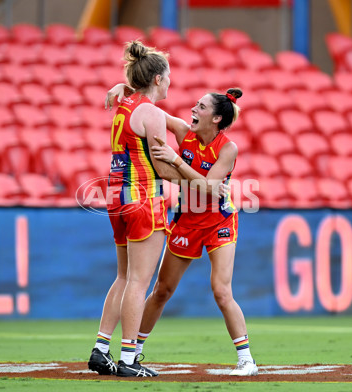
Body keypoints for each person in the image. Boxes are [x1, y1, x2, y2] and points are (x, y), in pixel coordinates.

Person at [107, 85, 258, 376]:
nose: (193, 110)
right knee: (162, 291)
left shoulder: (228, 148)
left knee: (221, 291)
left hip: (219, 221)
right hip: (186, 220)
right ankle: (134, 352)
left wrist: (176, 161)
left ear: (216, 119)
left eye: (201, 107)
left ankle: (246, 360)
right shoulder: (181, 130)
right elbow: (147, 107)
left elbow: (212, 190)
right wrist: (124, 90)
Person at [87, 40, 182, 378]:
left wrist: (122, 85)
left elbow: (130, 94)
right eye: (168, 75)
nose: (171, 80)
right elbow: (163, 168)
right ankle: (128, 359)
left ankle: (101, 349)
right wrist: (200, 181)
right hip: (144, 198)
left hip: (117, 196)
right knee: (140, 281)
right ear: (157, 79)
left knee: (125, 276)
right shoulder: (152, 114)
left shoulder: (124, 104)